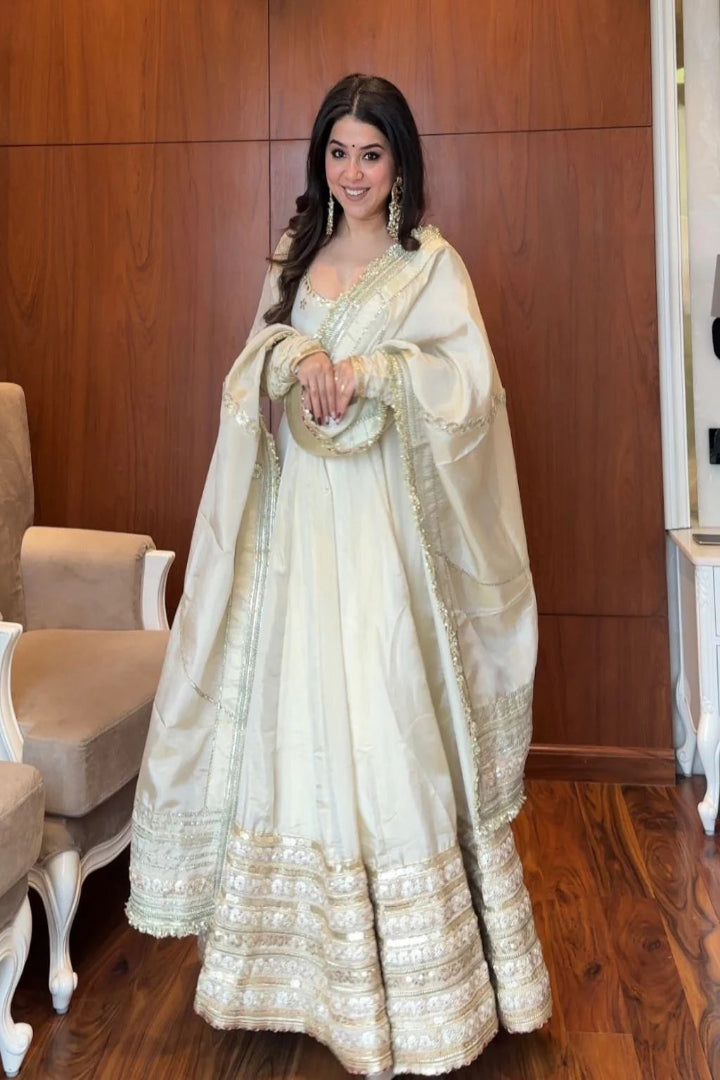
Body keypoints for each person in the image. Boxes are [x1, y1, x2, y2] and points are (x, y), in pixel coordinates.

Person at [127, 73, 552, 1079]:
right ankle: (290, 977)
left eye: (370, 152)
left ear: (400, 161)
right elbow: (248, 374)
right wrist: (286, 358)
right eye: (337, 152)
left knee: (386, 710)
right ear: (320, 161)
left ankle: (422, 989)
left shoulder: (428, 269)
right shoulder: (294, 256)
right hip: (297, 536)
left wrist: (375, 371)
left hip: (383, 536)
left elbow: (470, 390)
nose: (352, 172)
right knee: (299, 719)